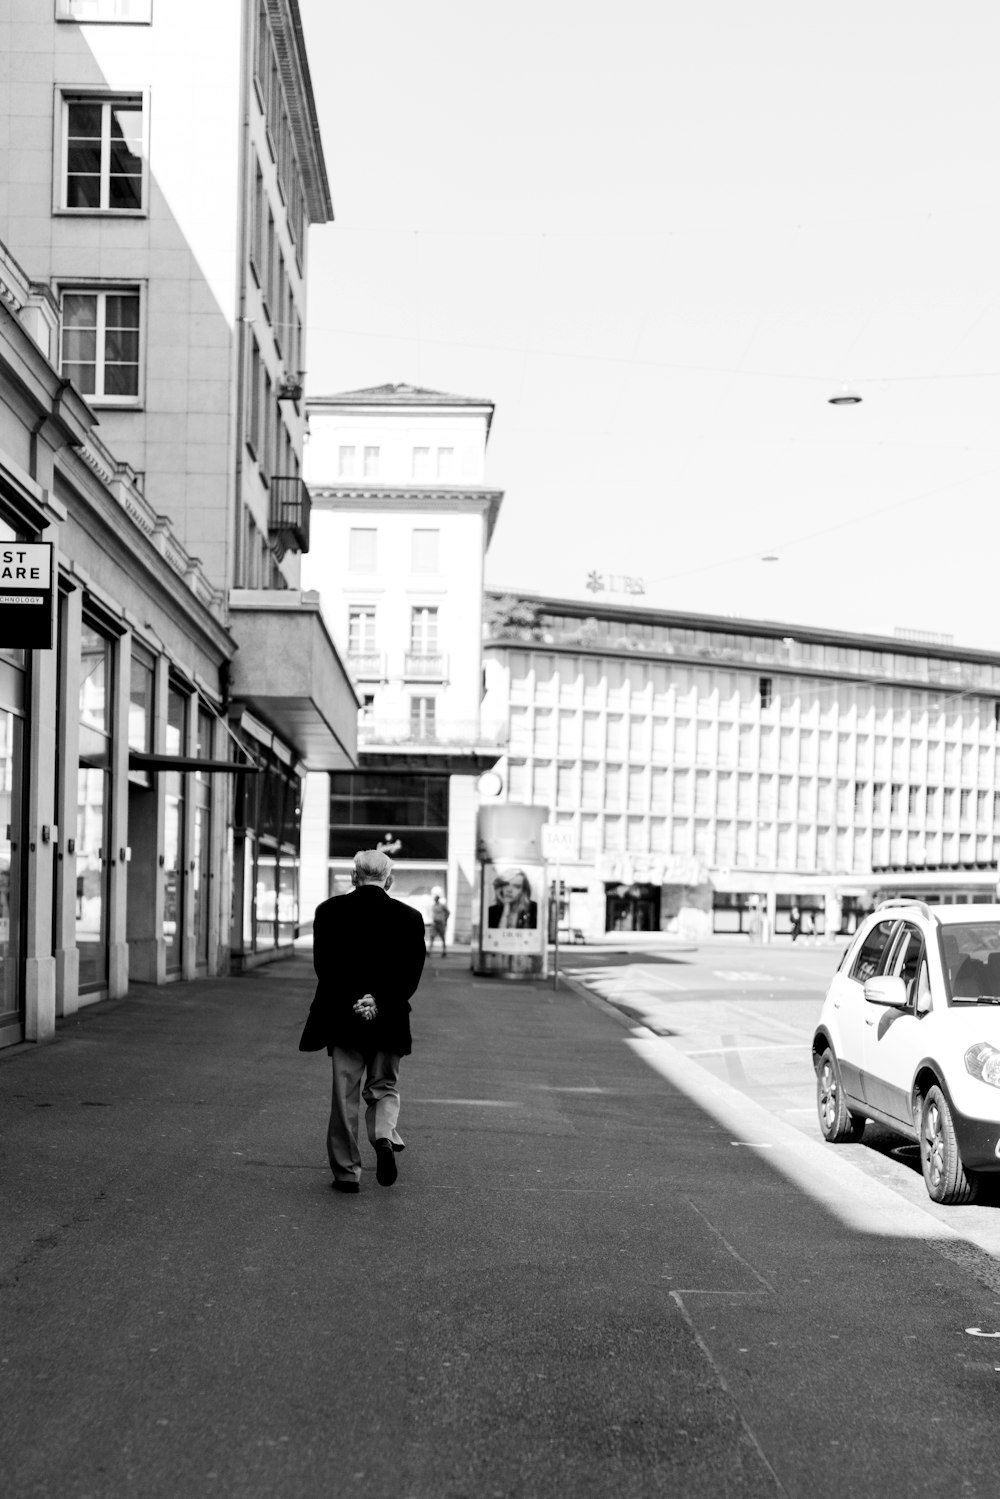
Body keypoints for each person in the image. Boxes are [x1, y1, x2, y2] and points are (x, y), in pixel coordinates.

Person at [299, 849, 426, 1193]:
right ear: (389, 879)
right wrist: (378, 1001)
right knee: (383, 1086)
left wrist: (357, 1002)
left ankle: (346, 1172)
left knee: (345, 1094)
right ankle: (383, 1137)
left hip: (343, 1016)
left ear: (353, 877)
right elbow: (410, 976)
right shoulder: (410, 918)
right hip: (390, 1019)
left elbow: (326, 969)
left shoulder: (328, 913)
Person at [428, 889, 450, 956]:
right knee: (432, 937)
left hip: (440, 923)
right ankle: (429, 951)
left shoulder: (442, 905)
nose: (435, 900)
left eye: (436, 898)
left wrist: (445, 920)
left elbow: (448, 912)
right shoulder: (433, 906)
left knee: (442, 938)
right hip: (435, 923)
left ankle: (444, 951)